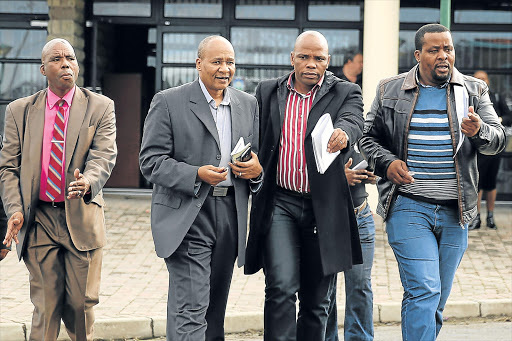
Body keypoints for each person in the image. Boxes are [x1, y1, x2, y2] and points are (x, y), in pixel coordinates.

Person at [359, 23, 506, 340]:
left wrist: (478, 130)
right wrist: (388, 163)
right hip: (409, 207)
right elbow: (367, 139)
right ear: (418, 55)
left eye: (448, 48)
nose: (443, 55)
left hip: (457, 211)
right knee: (424, 290)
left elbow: (499, 139)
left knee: (434, 300)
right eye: (434, 49)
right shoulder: (390, 90)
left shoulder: (473, 91)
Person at [139, 35, 263, 341]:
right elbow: (150, 161)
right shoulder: (168, 101)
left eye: (230, 62)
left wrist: (257, 171)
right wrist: (196, 174)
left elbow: (256, 159)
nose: (224, 68)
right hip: (189, 214)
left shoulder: (248, 104)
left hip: (231, 216)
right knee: (191, 308)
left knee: (212, 312)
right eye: (217, 61)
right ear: (199, 64)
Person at [244, 30, 364, 340]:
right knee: (281, 286)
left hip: (324, 208)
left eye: (319, 58)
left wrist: (344, 133)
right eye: (304, 57)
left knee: (317, 300)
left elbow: (353, 120)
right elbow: (254, 136)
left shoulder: (346, 92)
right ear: (292, 58)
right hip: (280, 203)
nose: (312, 64)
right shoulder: (268, 91)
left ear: (328, 61)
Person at [0, 38, 117, 341]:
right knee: (46, 306)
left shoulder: (100, 107)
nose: (66, 63)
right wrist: (14, 209)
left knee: (80, 306)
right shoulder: (19, 111)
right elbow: (8, 168)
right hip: (38, 219)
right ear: (43, 69)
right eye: (56, 59)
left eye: (70, 58)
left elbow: (104, 155)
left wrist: (89, 180)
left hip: (81, 217)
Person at [325, 150, 377, 341]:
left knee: (360, 286)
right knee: (325, 291)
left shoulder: (363, 122)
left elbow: (376, 149)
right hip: (326, 217)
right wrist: (338, 177)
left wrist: (374, 172)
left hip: (360, 215)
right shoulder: (319, 122)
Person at [469, 70, 512, 230]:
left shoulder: (497, 97)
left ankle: (491, 217)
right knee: (477, 183)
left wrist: (498, 120)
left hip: (494, 148)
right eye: (478, 79)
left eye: (483, 79)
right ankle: (476, 218)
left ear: (488, 80)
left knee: (491, 183)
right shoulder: (469, 98)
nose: (481, 81)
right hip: (477, 148)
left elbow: (509, 116)